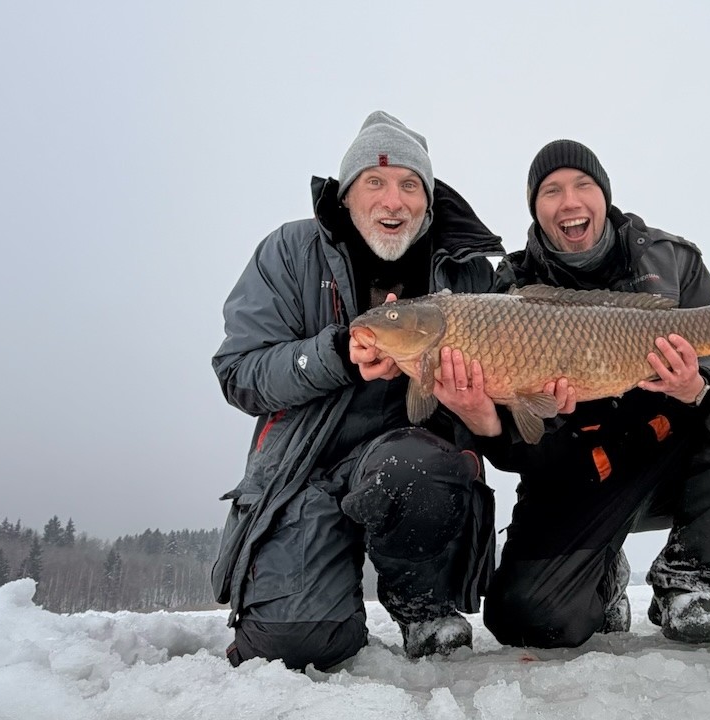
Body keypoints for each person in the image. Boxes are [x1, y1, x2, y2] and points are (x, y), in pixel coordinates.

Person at [439, 139, 710, 648]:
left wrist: (696, 384)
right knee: (526, 621)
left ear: (604, 196)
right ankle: (602, 574)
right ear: (536, 208)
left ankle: (693, 581)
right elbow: (512, 449)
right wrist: (520, 416)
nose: (569, 201)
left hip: (670, 454)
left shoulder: (670, 257)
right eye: (551, 191)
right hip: (576, 475)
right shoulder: (506, 290)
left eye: (582, 185)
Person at [210, 111, 507, 671]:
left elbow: (513, 400)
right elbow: (239, 372)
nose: (392, 201)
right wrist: (335, 354)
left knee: (420, 465)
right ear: (346, 196)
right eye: (375, 181)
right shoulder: (288, 252)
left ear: (428, 201)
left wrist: (485, 416)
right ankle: (318, 601)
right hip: (303, 474)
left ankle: (424, 603)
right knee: (298, 646)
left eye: (409, 185)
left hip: (411, 464)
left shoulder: (470, 276)